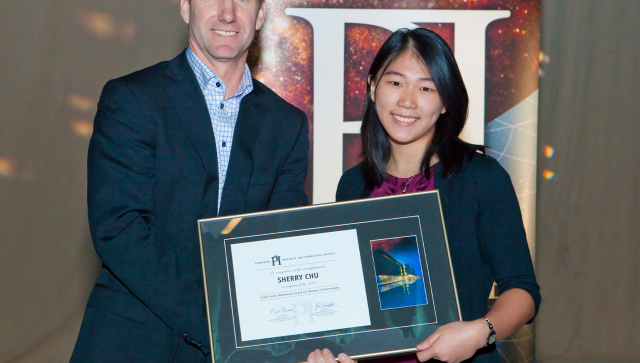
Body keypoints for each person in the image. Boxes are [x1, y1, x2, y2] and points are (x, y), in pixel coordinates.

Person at [71, 0, 309, 362]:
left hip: (238, 349)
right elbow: (119, 228)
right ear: (185, 8)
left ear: (261, 15)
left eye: (243, 1)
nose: (227, 13)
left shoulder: (286, 125)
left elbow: (282, 245)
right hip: (133, 342)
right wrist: (218, 325)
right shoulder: (132, 99)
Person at [307, 28, 540, 363]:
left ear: (445, 101)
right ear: (373, 87)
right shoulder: (352, 186)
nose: (407, 100)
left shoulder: (481, 179)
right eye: (396, 82)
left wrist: (479, 332)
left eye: (427, 87)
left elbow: (523, 290)